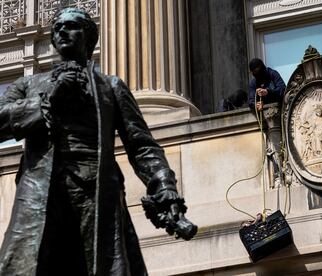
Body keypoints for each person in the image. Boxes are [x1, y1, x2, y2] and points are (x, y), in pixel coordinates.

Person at [0, 8, 195, 276]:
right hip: (40, 188)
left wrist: (164, 186)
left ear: (89, 37)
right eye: (57, 28)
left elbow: (141, 145)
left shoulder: (111, 86)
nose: (62, 32)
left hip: (96, 190)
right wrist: (47, 99)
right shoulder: (29, 85)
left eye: (72, 26)